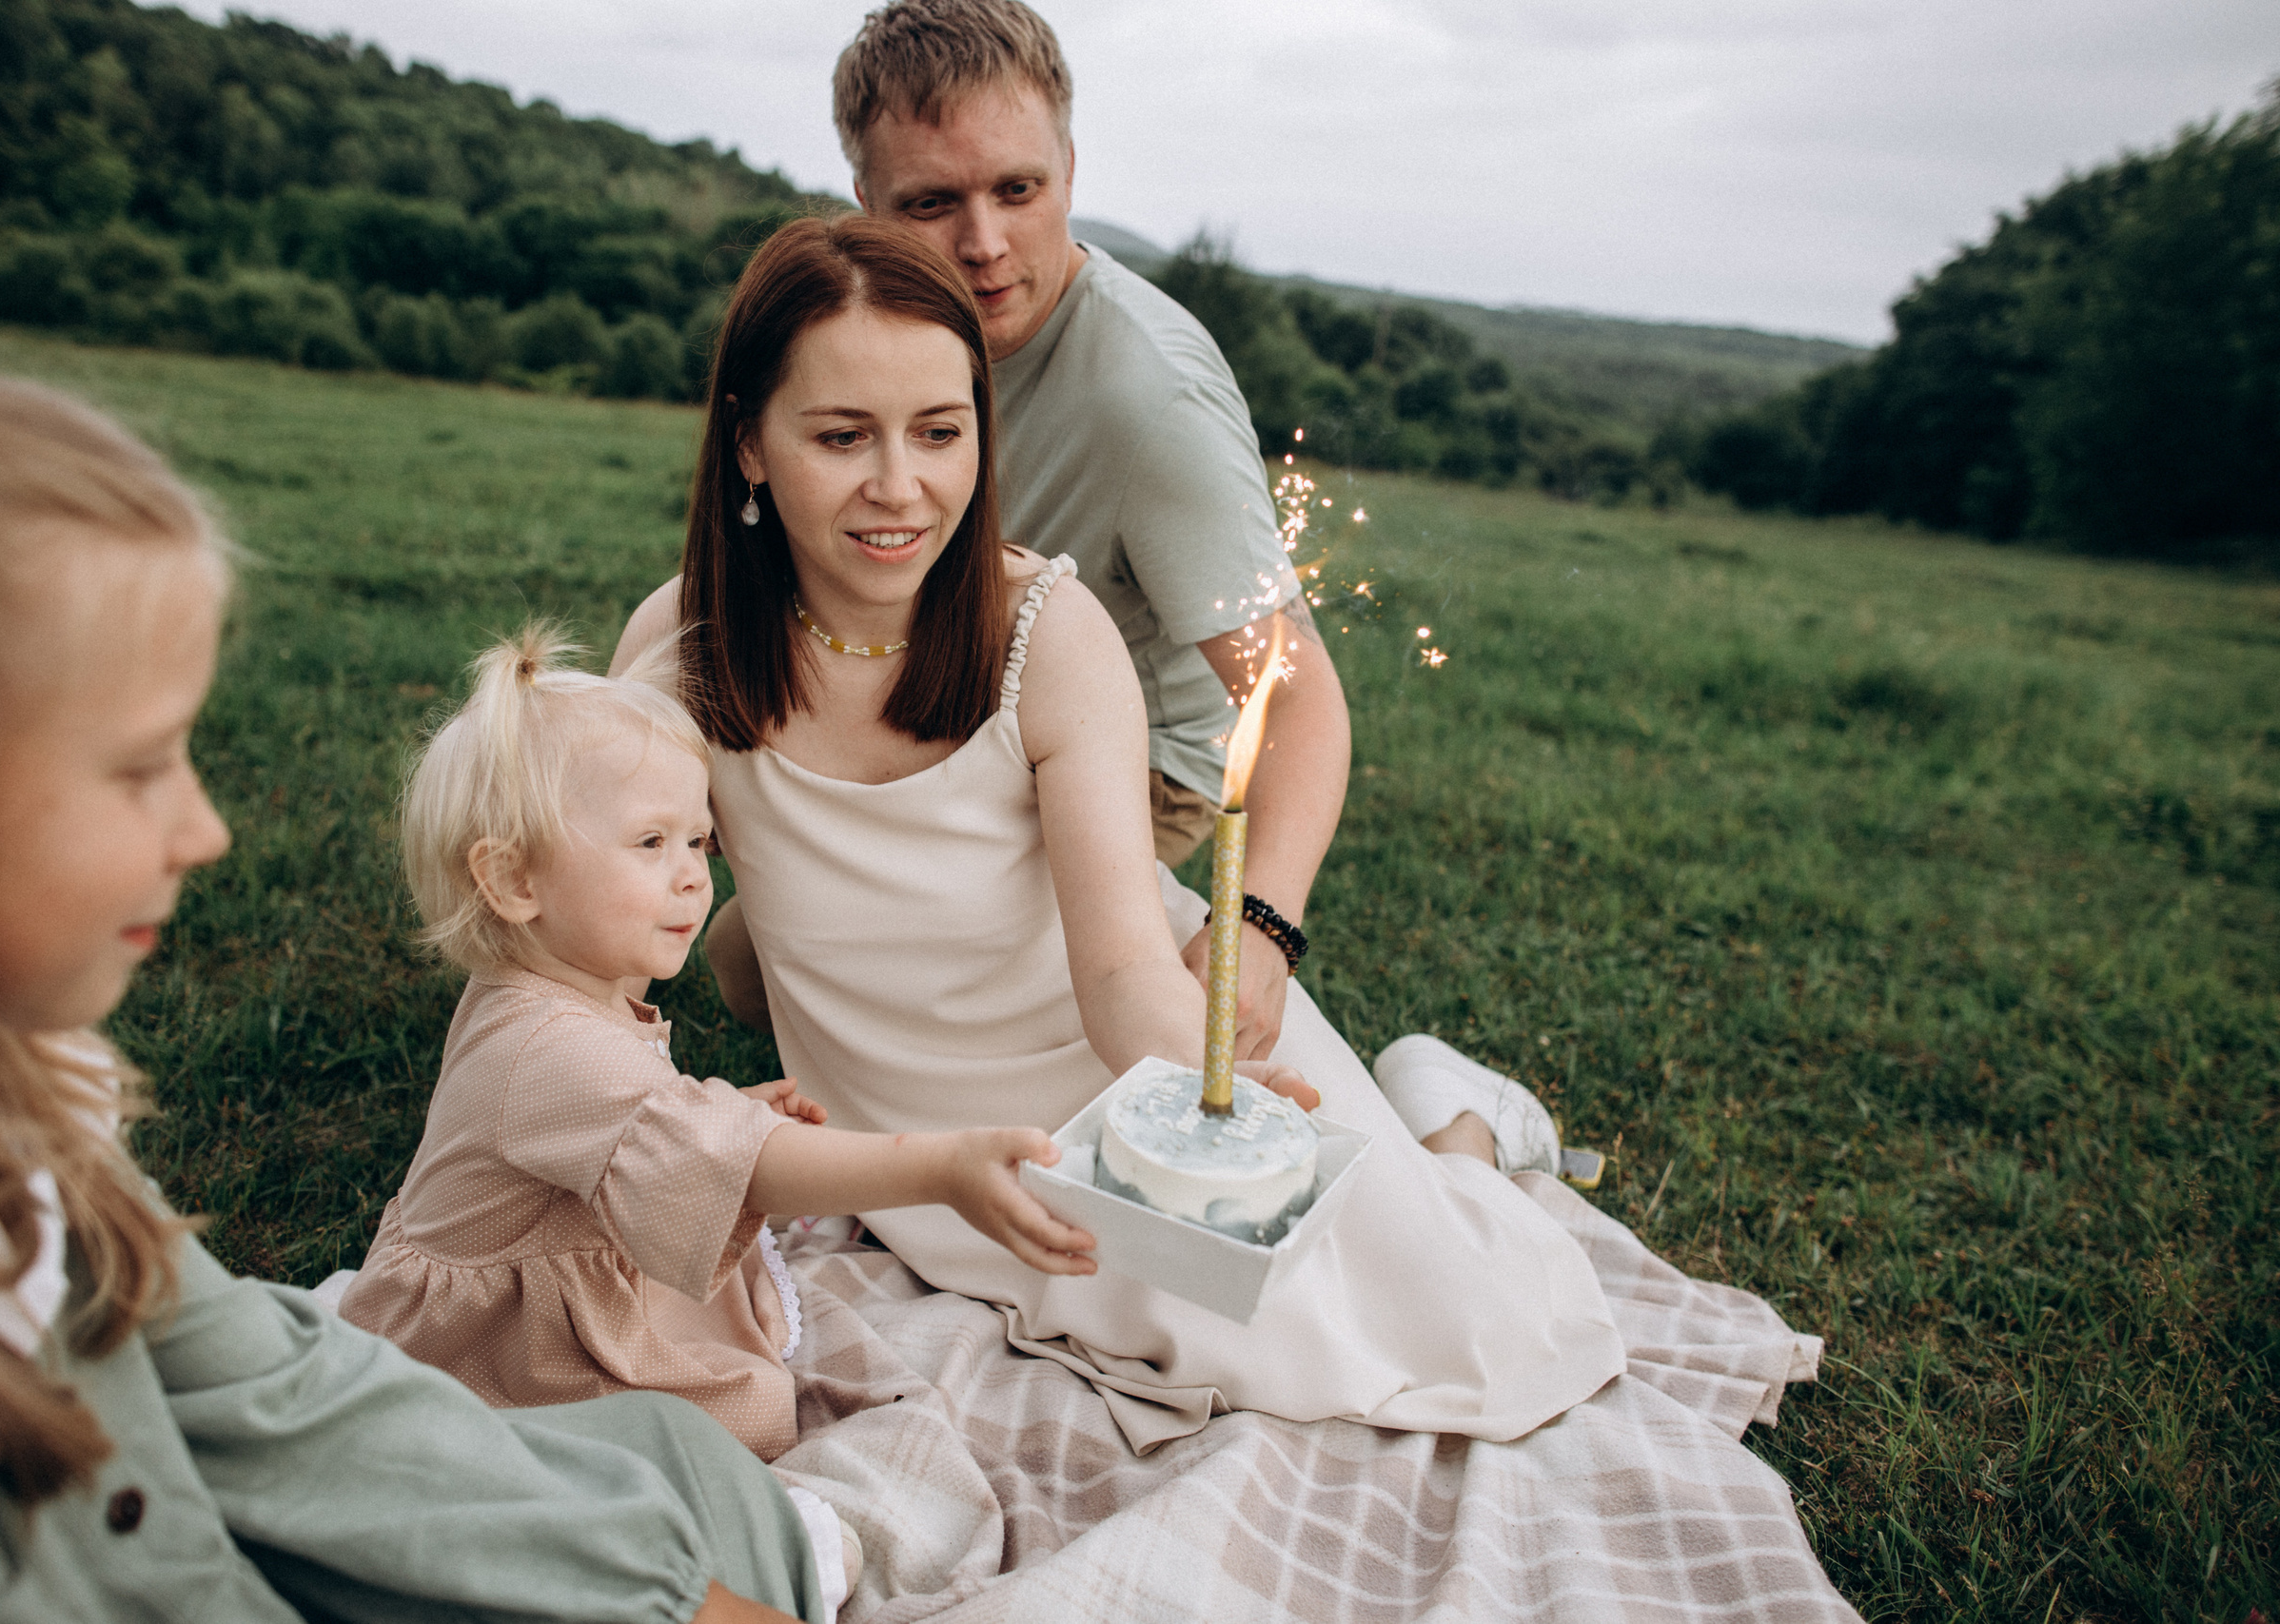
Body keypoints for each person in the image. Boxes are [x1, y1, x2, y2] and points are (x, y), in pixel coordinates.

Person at [0, 323, 822, 1624]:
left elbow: (280, 1392)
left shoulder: (5, 1110)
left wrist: (668, 1592)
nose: (210, 830)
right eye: (140, 768)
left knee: (688, 1472)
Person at [612, 214, 1627, 1452]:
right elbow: (597, 943)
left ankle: (1454, 1124)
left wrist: (1219, 1085)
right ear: (749, 446)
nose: (901, 485)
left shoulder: (1047, 631)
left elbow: (1119, 973)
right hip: (901, 1127)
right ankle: (1427, 1131)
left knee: (1438, 1328)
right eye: (841, 436)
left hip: (1115, 1078)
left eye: (942, 431)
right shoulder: (677, 651)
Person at [701, 0, 1351, 1072]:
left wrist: (1263, 928)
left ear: (1070, 166)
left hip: (1124, 754)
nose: (984, 243)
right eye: (929, 202)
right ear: (864, 204)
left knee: (854, 971)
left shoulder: (1150, 404)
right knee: (745, 961)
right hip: (928, 697)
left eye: (1018, 188)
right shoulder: (868, 335)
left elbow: (1296, 697)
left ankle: (1457, 1124)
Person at [336, 624, 1092, 1473]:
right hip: (484, 1361)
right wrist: (940, 1170)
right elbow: (728, 1155)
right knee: (717, 1432)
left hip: (529, 1290)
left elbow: (631, 1130)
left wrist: (718, 1113)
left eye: (698, 840)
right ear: (514, 881)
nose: (695, 874)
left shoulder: (553, 987)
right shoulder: (545, 1046)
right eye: (651, 842)